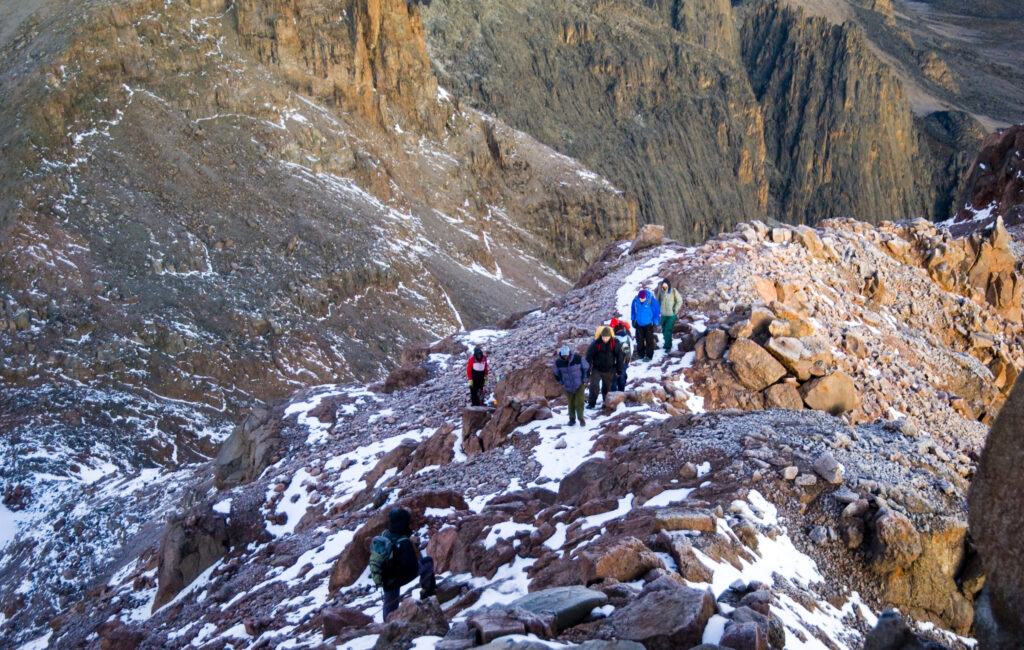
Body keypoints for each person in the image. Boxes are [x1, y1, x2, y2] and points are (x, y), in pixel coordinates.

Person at [379, 508, 437, 621]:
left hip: (386, 579)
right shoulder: (404, 542)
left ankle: (386, 625)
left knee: (389, 608)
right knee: (428, 562)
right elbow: (411, 567)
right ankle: (428, 593)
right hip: (401, 577)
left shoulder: (384, 535)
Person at [586, 326, 624, 409]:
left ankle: (606, 403)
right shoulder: (596, 344)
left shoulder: (615, 343)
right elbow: (589, 356)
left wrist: (619, 370)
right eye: (604, 337)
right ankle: (591, 403)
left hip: (609, 370)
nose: (605, 339)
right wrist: (588, 369)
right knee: (594, 386)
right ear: (601, 336)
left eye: (607, 337)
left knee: (607, 388)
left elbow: (620, 357)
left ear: (610, 336)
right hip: (597, 369)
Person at [553, 344, 590, 426]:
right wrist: (562, 382)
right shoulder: (558, 363)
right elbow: (556, 374)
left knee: (579, 402)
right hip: (568, 386)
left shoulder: (578, 359)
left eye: (566, 355)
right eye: (564, 355)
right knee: (571, 403)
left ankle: (581, 419)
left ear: (569, 353)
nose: (565, 357)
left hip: (579, 384)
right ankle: (572, 419)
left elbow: (586, 368)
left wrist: (584, 380)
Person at [630, 289, 660, 361]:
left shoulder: (651, 300)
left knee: (649, 340)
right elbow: (633, 310)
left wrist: (655, 322)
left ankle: (649, 356)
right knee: (639, 340)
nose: (641, 299)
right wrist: (633, 319)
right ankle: (640, 354)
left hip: (648, 324)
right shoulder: (635, 300)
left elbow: (656, 311)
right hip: (639, 323)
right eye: (640, 298)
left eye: (643, 298)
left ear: (645, 297)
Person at [656, 278, 683, 353]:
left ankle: (668, 346)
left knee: (668, 329)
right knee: (664, 330)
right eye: (663, 285)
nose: (664, 286)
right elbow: (657, 301)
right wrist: (658, 310)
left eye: (665, 284)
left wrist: (675, 309)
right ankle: (666, 343)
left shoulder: (673, 291)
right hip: (663, 314)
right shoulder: (661, 292)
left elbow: (679, 300)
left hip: (671, 315)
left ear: (668, 284)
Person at [612, 323, 633, 391]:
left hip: (615, 362)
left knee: (614, 379)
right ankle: (621, 393)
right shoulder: (628, 338)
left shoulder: (614, 338)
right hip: (625, 360)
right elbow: (631, 349)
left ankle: (613, 395)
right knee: (622, 376)